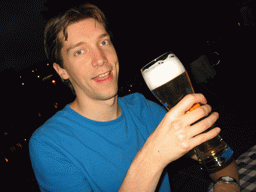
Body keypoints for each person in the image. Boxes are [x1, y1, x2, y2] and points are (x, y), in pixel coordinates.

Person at [29, 3, 239, 192]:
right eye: (80, 51)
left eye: (103, 42)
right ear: (61, 70)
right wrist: (154, 156)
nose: (100, 60)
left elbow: (216, 154)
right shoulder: (49, 144)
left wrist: (227, 184)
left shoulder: (143, 109)